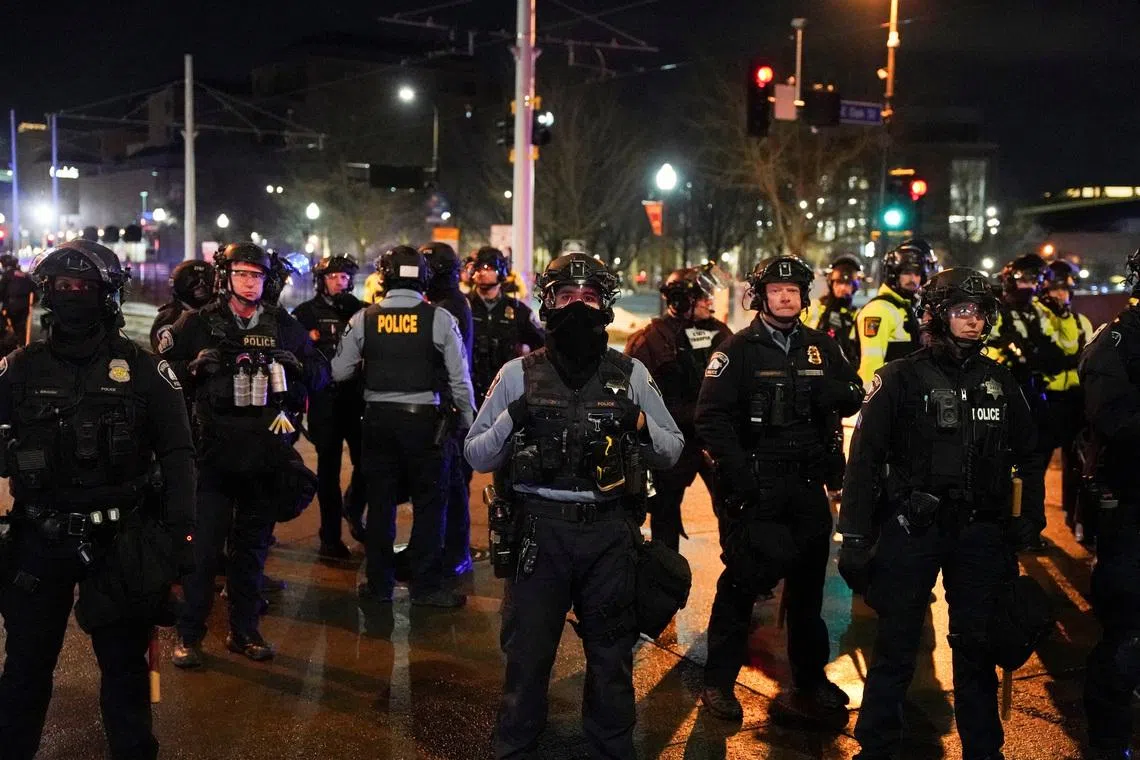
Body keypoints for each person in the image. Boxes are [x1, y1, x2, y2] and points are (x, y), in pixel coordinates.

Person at [465, 251, 683, 759]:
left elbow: (671, 449)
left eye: (588, 297)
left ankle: (610, 748)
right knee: (528, 655)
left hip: (608, 535)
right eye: (567, 297)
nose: (578, 307)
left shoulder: (631, 374)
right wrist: (515, 414)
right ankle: (515, 746)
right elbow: (476, 453)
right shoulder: (518, 374)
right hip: (540, 534)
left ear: (606, 305)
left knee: (611, 658)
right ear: (548, 303)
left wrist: (637, 424)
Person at [0, 241, 196, 760]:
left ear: (108, 294)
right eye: (63, 287)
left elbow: (179, 458)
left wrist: (180, 542)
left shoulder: (147, 371)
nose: (73, 297)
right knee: (23, 670)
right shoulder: (19, 368)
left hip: (121, 541)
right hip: (38, 538)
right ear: (46, 294)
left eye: (84, 287)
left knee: (127, 672)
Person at [837, 267, 1039, 760]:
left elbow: (1031, 454)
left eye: (982, 312)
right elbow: (863, 463)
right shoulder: (899, 378)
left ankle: (984, 750)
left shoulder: (999, 379)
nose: (974, 322)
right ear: (935, 314)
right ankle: (878, 746)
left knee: (976, 651)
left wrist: (1028, 517)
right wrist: (856, 539)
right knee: (897, 647)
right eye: (963, 311)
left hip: (981, 534)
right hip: (913, 528)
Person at [695, 255, 863, 723]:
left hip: (808, 486)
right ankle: (718, 682)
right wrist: (739, 479)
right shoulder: (738, 349)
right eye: (776, 291)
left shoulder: (821, 347)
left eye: (793, 291)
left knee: (809, 592)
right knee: (742, 585)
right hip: (760, 488)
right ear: (761, 296)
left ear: (803, 298)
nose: (785, 297)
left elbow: (855, 390)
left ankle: (810, 678)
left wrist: (836, 392)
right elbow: (709, 418)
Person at [164, 242, 329, 667]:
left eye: (256, 275)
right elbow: (160, 377)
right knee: (202, 553)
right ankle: (190, 635)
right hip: (213, 455)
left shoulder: (281, 323)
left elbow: (321, 374)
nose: (250, 282)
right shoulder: (197, 323)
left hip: (264, 455)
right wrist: (191, 369)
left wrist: (299, 367)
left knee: (252, 550)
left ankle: (245, 631)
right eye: (242, 274)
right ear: (225, 277)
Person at [331, 245, 475, 607]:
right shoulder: (440, 318)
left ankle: (379, 586)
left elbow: (339, 370)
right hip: (425, 424)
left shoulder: (364, 318)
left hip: (378, 422)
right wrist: (469, 423)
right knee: (430, 506)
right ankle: (425, 587)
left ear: (384, 275)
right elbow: (461, 380)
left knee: (380, 506)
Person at [1078, 248, 1140, 760]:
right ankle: (1108, 738)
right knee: (1128, 627)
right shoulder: (1116, 341)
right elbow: (1115, 420)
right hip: (1133, 502)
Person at [624, 265, 730, 550]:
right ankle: (664, 579)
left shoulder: (721, 334)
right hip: (672, 443)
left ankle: (745, 574)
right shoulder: (651, 340)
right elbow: (633, 397)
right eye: (703, 296)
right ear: (681, 301)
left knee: (734, 508)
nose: (711, 301)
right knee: (664, 515)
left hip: (714, 441)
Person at [984, 253, 1070, 551]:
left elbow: (1053, 355)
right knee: (999, 466)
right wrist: (1015, 356)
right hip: (1001, 398)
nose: (1030, 285)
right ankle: (1001, 525)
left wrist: (1028, 356)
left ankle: (1028, 528)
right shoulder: (996, 310)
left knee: (1034, 463)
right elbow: (989, 355)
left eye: (1035, 280)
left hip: (1033, 394)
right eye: (1024, 279)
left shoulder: (1035, 312)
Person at [292, 254, 367, 558]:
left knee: (367, 465)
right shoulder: (305, 314)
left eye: (345, 277)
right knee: (328, 471)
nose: (339, 282)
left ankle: (354, 506)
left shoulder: (363, 312)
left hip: (358, 400)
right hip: (324, 401)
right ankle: (330, 537)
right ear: (321, 279)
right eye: (333, 276)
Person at [420, 242, 476, 575]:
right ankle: (446, 547)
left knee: (452, 486)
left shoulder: (450, 306)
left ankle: (456, 551)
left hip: (448, 410)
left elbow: (451, 364)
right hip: (445, 405)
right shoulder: (447, 303)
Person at [1038, 259, 1096, 537]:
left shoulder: (1081, 321)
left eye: (1065, 289)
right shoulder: (1037, 317)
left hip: (1074, 399)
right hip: (1046, 397)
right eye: (1056, 289)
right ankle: (1030, 524)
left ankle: (1076, 518)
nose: (1061, 295)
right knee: (1036, 464)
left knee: (1077, 464)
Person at [468, 246, 545, 407]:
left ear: (502, 271)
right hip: (470, 390)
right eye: (477, 268)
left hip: (507, 392)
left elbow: (543, 344)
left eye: (488, 267)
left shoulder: (518, 311)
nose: (481, 273)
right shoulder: (464, 307)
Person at [856, 239, 937, 388]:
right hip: (888, 397)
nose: (913, 279)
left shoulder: (906, 307)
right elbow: (870, 365)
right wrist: (872, 405)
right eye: (906, 272)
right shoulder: (878, 310)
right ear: (894, 274)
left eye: (917, 273)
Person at [803, 253, 862, 364]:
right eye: (839, 282)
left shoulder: (857, 314)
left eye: (848, 283)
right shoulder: (814, 307)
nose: (843, 288)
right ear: (831, 282)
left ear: (855, 286)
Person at [150, 259, 216, 353]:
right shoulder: (169, 317)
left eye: (206, 280)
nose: (202, 285)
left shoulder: (217, 312)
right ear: (179, 283)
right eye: (193, 281)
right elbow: (162, 359)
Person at [0, 253, 37, 346]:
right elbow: (34, 288)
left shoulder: (7, 275)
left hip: (11, 305)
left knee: (12, 326)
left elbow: (1, 290)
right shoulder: (24, 275)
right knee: (21, 327)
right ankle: (22, 346)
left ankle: (15, 345)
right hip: (24, 305)